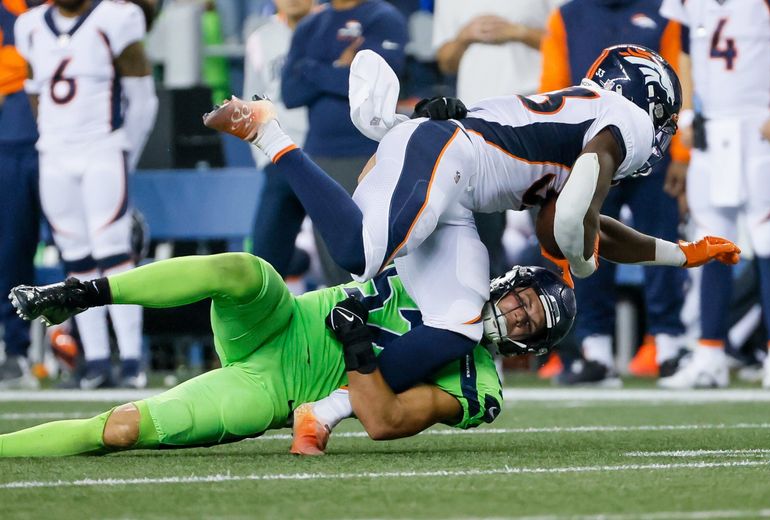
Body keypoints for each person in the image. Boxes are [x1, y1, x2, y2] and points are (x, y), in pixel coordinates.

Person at [203, 45, 741, 402]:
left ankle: (333, 405)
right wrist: (578, 262)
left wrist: (683, 252)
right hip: (446, 156)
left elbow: (583, 217)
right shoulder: (627, 123)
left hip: (453, 176)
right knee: (360, 253)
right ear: (649, 99)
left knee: (458, 322)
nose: (662, 136)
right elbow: (577, 212)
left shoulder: (585, 119)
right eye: (664, 122)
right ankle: (269, 132)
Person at [3, 254, 573, 456]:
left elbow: (386, 420)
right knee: (244, 271)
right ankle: (83, 293)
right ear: (507, 281)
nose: (518, 314)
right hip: (280, 318)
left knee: (122, 430)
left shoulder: (481, 386)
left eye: (531, 322)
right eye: (523, 300)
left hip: (273, 389)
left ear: (532, 345)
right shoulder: (451, 260)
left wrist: (356, 346)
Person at [538, 0, 689, 386]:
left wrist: (682, 153)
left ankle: (668, 345)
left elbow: (680, 83)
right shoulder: (568, 15)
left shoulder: (664, 11)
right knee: (584, 238)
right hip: (592, 148)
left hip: (656, 149)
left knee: (662, 236)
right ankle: (596, 349)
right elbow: (552, 85)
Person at [14, 0, 158, 389]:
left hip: (102, 147)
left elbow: (143, 97)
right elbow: (34, 92)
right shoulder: (29, 26)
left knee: (114, 251)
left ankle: (131, 358)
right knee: (74, 255)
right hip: (55, 154)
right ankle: (94, 359)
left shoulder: (115, 18)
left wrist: (126, 150)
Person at [658, 0, 770, 389]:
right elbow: (686, 51)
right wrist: (688, 113)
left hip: (761, 123)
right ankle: (709, 352)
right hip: (712, 127)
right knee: (711, 240)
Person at [279, 0, 407, 285]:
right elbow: (290, 93)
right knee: (333, 260)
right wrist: (341, 67)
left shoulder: (382, 16)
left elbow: (380, 82)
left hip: (368, 153)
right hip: (319, 155)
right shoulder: (310, 25)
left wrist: (311, 69)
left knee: (376, 257)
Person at [433, 0, 556, 279]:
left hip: (535, 117)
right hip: (475, 123)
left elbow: (569, 41)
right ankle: (488, 316)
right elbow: (445, 61)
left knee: (554, 233)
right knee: (481, 240)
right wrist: (463, 38)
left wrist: (519, 32)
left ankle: (562, 312)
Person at [244, 0, 315, 294]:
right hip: (281, 159)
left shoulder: (335, 27)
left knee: (347, 262)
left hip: (327, 156)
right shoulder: (260, 39)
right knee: (264, 265)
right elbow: (252, 102)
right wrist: (265, 159)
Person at [0, 0, 40, 389]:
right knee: (11, 248)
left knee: (85, 251)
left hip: (74, 136)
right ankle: (16, 350)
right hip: (11, 135)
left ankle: (92, 350)